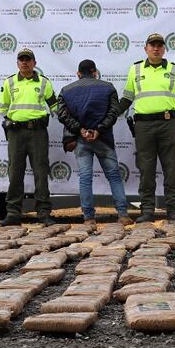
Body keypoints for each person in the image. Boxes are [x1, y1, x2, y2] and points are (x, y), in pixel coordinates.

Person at [118, 33, 175, 222]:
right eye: (152, 45)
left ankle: (173, 211)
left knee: (171, 169)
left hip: (169, 125)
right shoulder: (135, 70)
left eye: (160, 45)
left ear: (164, 49)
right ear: (146, 48)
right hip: (143, 126)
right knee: (146, 170)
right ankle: (147, 211)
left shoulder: (174, 70)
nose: (156, 48)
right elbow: (127, 97)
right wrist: (111, 115)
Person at [56, 59, 131, 229]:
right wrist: (99, 130)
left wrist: (81, 130)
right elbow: (114, 112)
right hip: (103, 139)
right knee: (114, 176)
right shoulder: (108, 87)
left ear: (78, 74)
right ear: (95, 72)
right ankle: (123, 215)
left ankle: (89, 218)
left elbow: (62, 115)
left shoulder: (66, 91)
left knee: (85, 178)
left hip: (81, 140)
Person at [0, 47, 58, 226]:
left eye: (28, 59)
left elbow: (54, 106)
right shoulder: (9, 83)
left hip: (38, 133)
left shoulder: (44, 83)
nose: (25, 62)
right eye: (21, 59)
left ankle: (44, 213)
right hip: (16, 133)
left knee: (41, 172)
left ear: (34, 63)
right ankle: (13, 213)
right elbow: (2, 108)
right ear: (17, 63)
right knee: (15, 173)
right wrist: (9, 122)